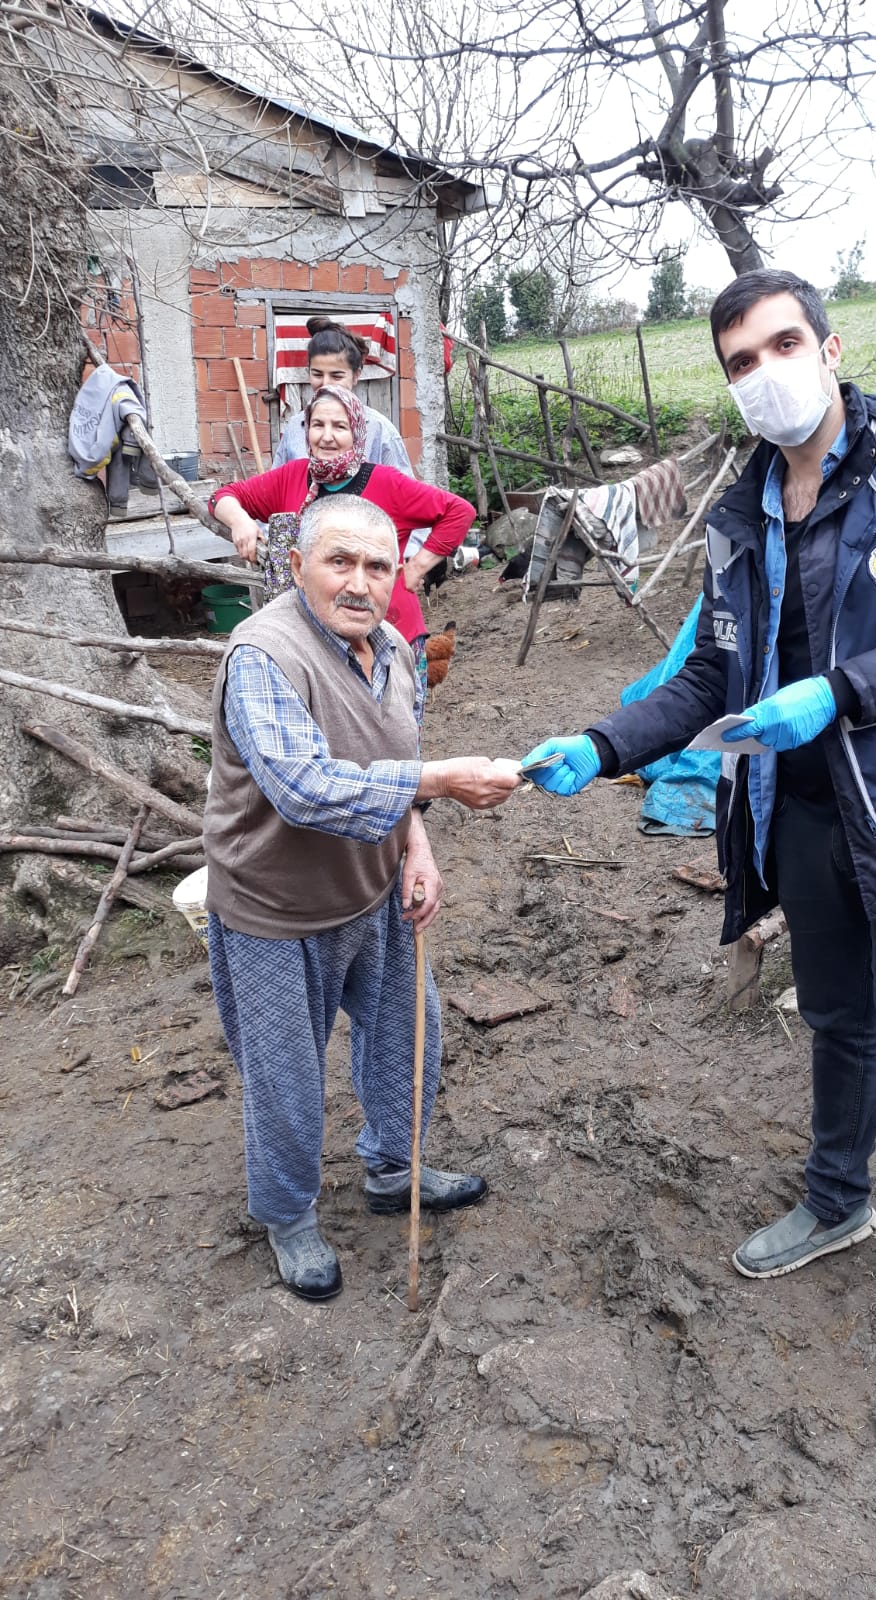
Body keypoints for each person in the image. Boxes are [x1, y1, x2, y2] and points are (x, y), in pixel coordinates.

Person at [522, 269, 876, 1353]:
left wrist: (841, 690)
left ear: (830, 344)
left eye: (779, 345)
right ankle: (838, 1196)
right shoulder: (739, 513)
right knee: (835, 1019)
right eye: (739, 363)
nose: (764, 373)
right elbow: (713, 677)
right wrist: (605, 741)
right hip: (801, 807)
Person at [204, 493, 521, 1300]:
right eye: (339, 561)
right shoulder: (263, 656)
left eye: (378, 566)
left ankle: (391, 1169)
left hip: (375, 893)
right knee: (285, 1080)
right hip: (275, 912)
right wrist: (443, 781)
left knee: (409, 1041)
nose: (360, 583)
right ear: (296, 564)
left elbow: (397, 759)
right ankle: (288, 1216)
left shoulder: (393, 651)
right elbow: (304, 789)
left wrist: (416, 842)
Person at [210, 386, 471, 687]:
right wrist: (240, 520)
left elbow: (458, 511)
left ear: (357, 433)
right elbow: (223, 496)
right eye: (318, 425)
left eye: (340, 426)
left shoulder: (386, 483)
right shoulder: (291, 477)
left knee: (394, 729)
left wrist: (417, 566)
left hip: (388, 634)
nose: (327, 436)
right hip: (316, 641)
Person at [273, 316, 414, 474]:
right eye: (317, 374)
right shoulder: (295, 427)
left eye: (337, 376)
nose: (326, 384)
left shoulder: (379, 430)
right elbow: (276, 488)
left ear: (356, 375)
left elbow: (404, 493)